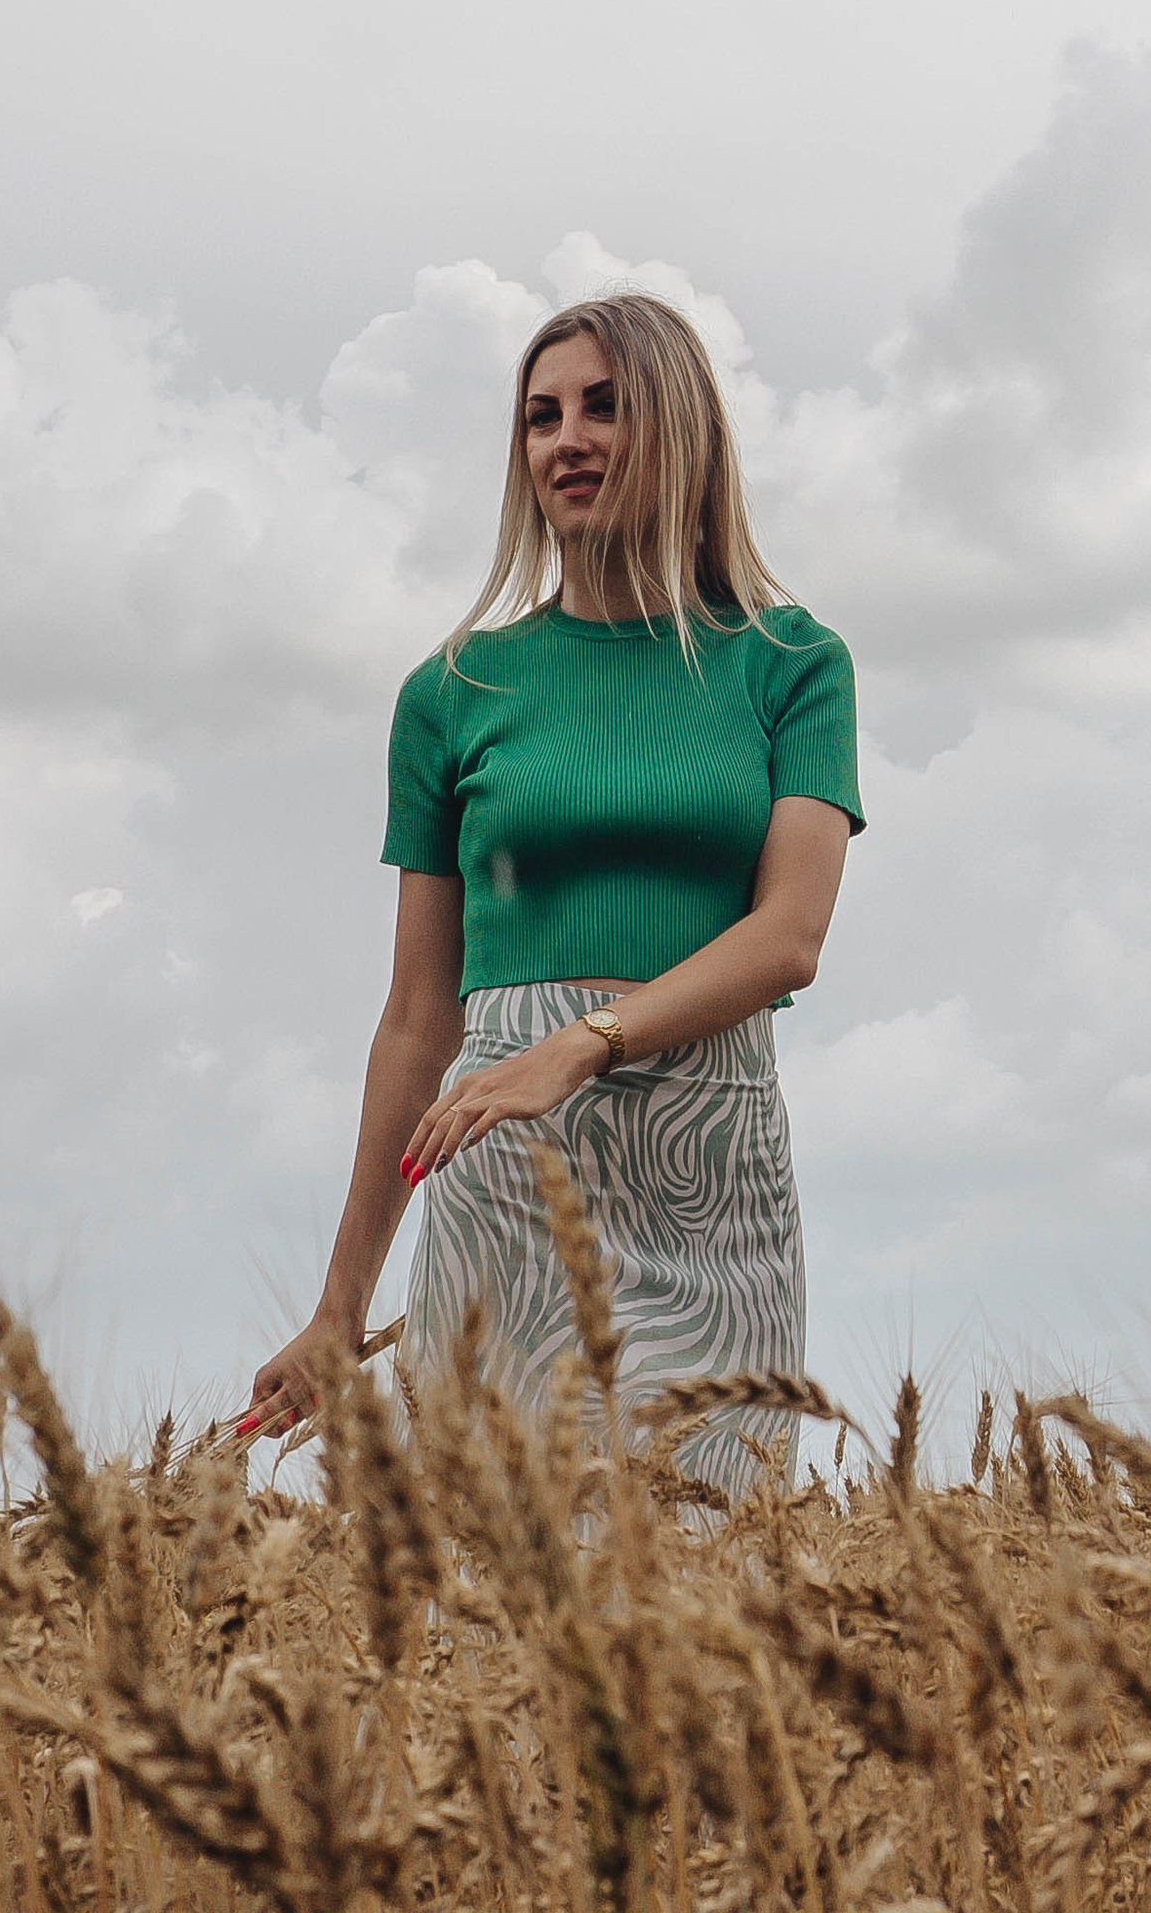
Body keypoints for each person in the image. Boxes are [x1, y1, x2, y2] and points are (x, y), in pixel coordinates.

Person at [245, 291, 860, 1486]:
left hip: (708, 1171)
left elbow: (789, 937)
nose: (564, 439)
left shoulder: (790, 666)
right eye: (540, 417)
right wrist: (338, 1307)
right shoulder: (454, 693)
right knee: (503, 1591)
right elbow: (421, 1021)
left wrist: (583, 1044)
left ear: (680, 433)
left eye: (603, 408)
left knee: (707, 1581)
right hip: (503, 1180)